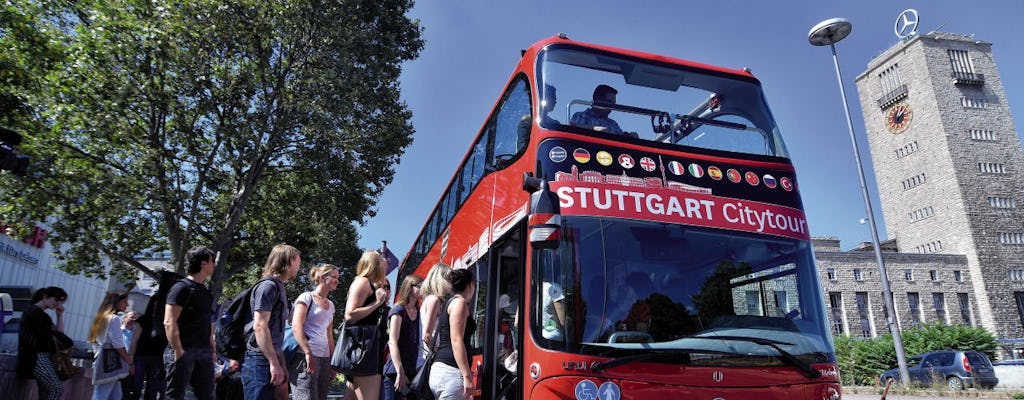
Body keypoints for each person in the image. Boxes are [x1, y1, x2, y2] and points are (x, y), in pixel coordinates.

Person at [242, 244, 302, 400]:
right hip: (259, 360)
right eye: (297, 260)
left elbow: (275, 332)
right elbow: (260, 326)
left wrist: (281, 363)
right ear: (288, 261)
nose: (300, 264)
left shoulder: (278, 287)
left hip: (269, 358)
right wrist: (274, 363)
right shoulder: (268, 287)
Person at [164, 246, 218, 400]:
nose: (214, 265)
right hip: (182, 350)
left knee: (207, 394)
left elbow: (207, 323)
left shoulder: (205, 292)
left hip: (203, 353)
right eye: (212, 261)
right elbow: (169, 321)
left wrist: (212, 349)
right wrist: (178, 350)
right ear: (203, 264)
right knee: (175, 395)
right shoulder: (181, 288)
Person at [342, 250, 392, 400]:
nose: (386, 267)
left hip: (365, 349)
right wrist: (377, 303)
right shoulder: (363, 282)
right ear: (375, 264)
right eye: (383, 263)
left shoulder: (365, 283)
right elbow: (349, 315)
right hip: (364, 351)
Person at [289, 264, 340, 400]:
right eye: (334, 277)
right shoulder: (306, 297)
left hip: (324, 359)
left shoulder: (331, 305)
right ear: (323, 278)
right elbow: (296, 325)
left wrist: (332, 362)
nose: (337, 280)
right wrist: (307, 352)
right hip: (305, 357)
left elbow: (329, 335)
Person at [429, 268, 477, 400]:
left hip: (443, 370)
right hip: (451, 372)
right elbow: (456, 340)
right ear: (470, 285)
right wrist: (467, 376)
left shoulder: (448, 303)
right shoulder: (460, 303)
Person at [133, 270, 181, 400]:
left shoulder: (165, 321)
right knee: (136, 387)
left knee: (153, 389)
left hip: (156, 357)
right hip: (141, 356)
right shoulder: (143, 320)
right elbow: (135, 340)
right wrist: (131, 358)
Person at [17, 286, 69, 400]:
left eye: (61, 301)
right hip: (35, 356)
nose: (58, 303)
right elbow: (58, 336)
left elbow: (60, 335)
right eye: (57, 299)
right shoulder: (34, 312)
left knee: (46, 392)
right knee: (56, 388)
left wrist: (59, 316)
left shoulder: (40, 314)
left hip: (40, 356)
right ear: (45, 296)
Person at [382, 275, 422, 400]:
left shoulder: (419, 311)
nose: (424, 289)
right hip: (395, 371)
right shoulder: (398, 310)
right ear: (410, 288)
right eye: (420, 286)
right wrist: (400, 372)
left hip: (412, 370)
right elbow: (392, 342)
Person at [89, 291, 133, 400]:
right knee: (101, 395)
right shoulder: (114, 319)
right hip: (110, 364)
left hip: (102, 360)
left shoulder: (102, 318)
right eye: (125, 301)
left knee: (115, 395)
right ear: (116, 302)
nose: (127, 304)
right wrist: (130, 362)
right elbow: (118, 345)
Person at [570, 84, 637, 137]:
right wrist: (595, 128)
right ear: (597, 100)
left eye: (613, 103)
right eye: (609, 102)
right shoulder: (581, 116)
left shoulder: (613, 124)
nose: (612, 106)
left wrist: (630, 136)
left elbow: (621, 138)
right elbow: (573, 128)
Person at [418, 263, 451, 363]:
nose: (451, 283)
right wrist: (440, 354)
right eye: (449, 279)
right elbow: (427, 336)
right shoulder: (434, 300)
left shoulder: (429, 299)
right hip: (433, 358)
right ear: (442, 280)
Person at [120, 311, 141, 400]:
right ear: (124, 319)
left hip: (131, 365)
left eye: (136, 318)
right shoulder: (117, 331)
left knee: (127, 389)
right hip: (118, 364)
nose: (134, 320)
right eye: (132, 317)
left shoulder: (138, 333)